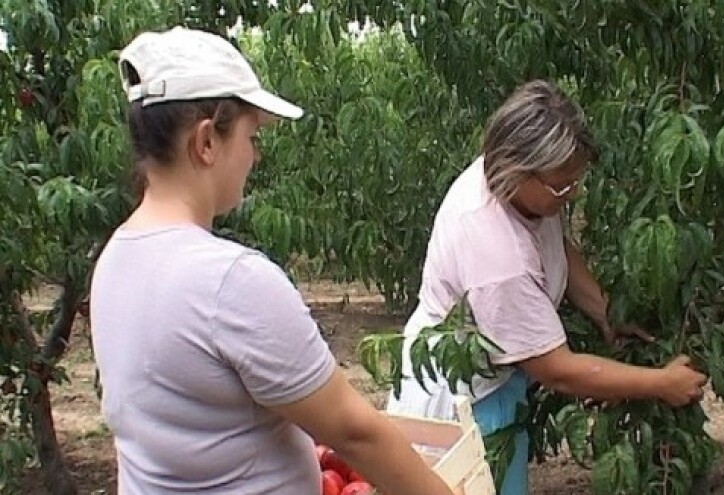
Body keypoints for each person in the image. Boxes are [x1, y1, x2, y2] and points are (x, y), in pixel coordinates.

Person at [89, 26, 454, 495]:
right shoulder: (228, 280)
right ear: (206, 141)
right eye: (251, 135)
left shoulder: (116, 257)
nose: (255, 155)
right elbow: (354, 432)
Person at [385, 79, 709, 495]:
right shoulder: (498, 257)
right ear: (518, 171)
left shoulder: (512, 180)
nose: (572, 193)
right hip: (461, 402)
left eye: (576, 181)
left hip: (495, 380)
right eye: (562, 185)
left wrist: (605, 311)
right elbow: (557, 369)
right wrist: (661, 383)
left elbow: (556, 247)